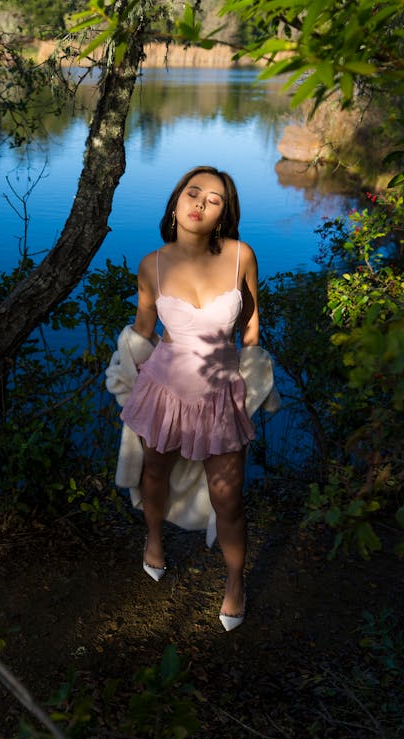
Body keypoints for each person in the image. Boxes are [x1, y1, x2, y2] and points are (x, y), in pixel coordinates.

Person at [119, 165, 259, 632]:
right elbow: (143, 331)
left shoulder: (242, 256)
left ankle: (235, 582)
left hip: (220, 395)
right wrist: (124, 371)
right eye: (192, 193)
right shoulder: (152, 264)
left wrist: (257, 376)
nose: (200, 203)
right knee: (154, 471)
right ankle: (154, 539)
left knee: (230, 498)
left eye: (213, 199)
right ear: (176, 202)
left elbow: (251, 326)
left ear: (223, 216)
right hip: (165, 389)